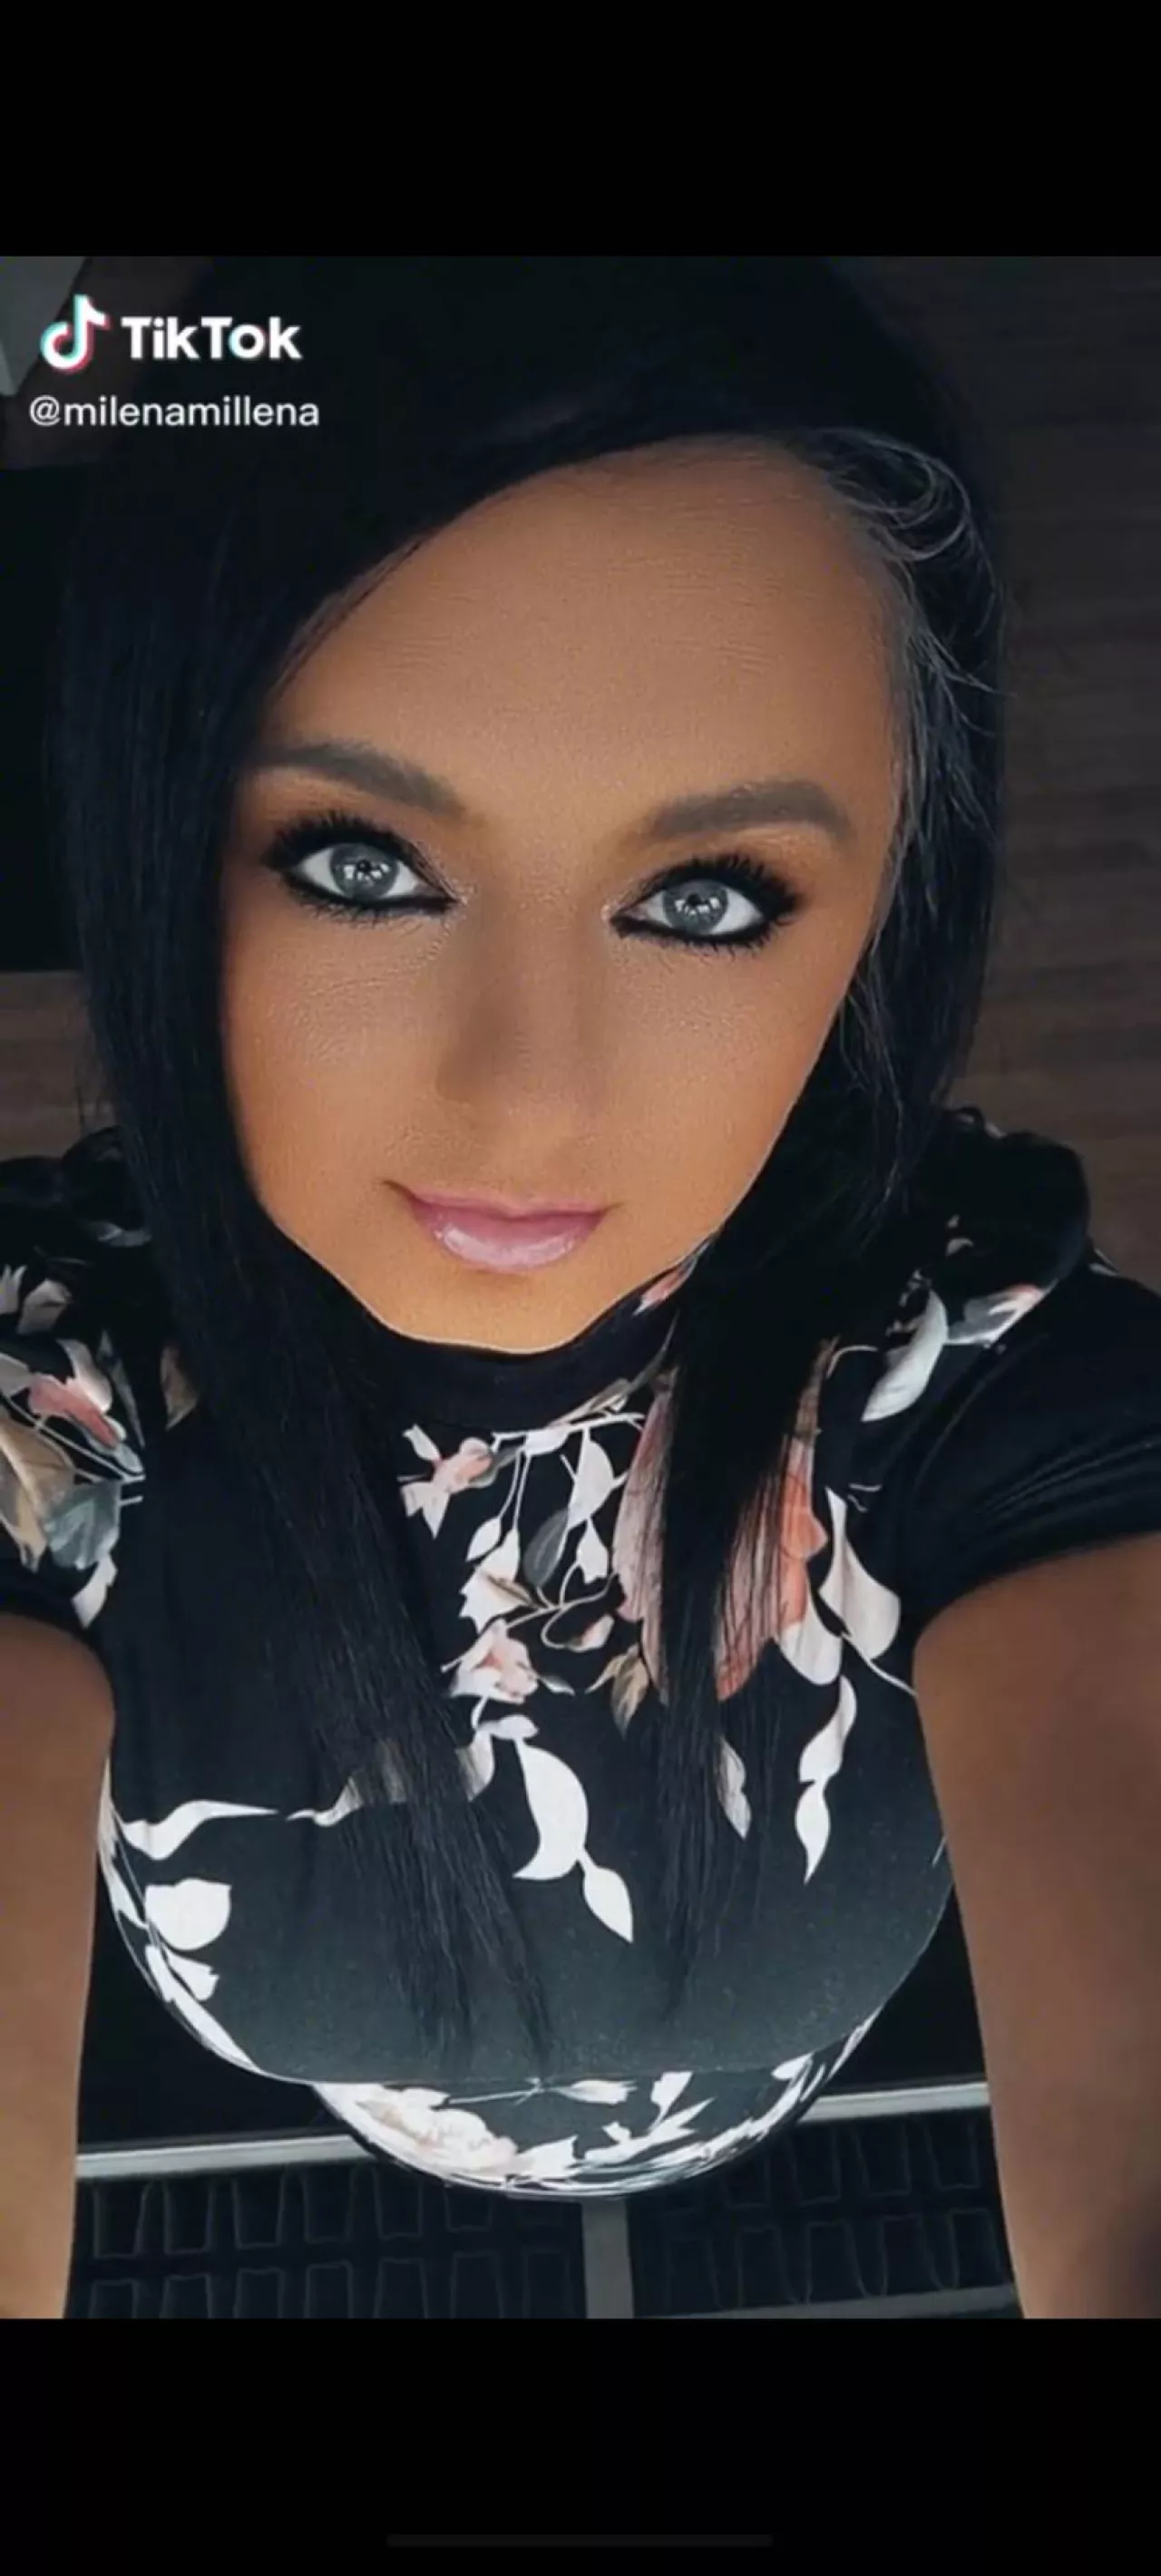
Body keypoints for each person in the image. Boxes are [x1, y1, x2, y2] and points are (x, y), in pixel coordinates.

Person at [3, 258, 1160, 2312]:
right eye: (361, 866)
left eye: (704, 898)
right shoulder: (58, 1408)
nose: (528, 1099)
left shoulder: (986, 1399)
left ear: (881, 919)